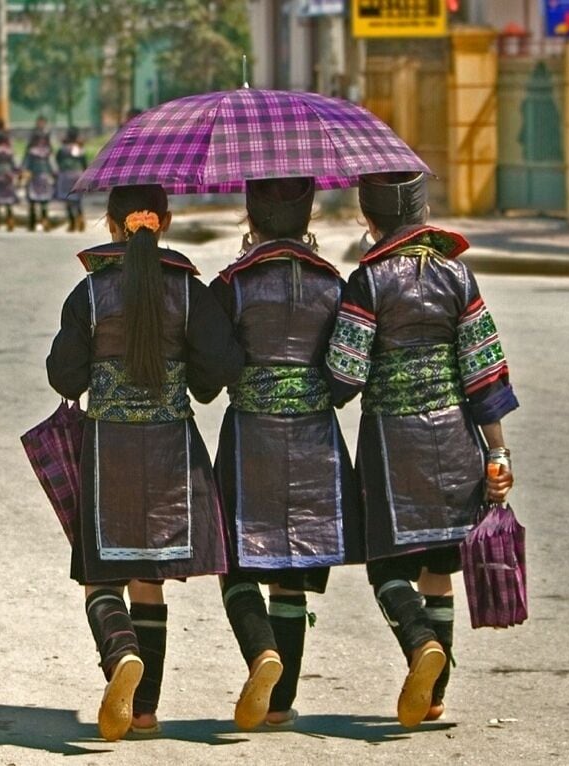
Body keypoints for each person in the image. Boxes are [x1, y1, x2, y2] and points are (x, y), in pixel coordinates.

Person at [46, 183, 244, 741]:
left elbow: (64, 375)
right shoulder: (188, 291)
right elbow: (222, 363)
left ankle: (121, 653)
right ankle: (145, 712)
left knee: (100, 576)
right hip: (171, 451)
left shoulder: (89, 295)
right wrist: (194, 383)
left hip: (107, 451)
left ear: (111, 225)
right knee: (149, 579)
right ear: (166, 222)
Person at [325, 171, 518, 728]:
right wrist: (498, 454)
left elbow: (344, 376)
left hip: (393, 447)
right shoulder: (458, 275)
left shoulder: (367, 282)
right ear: (424, 212)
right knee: (439, 565)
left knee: (386, 564)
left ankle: (419, 644)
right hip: (457, 441)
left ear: (368, 219)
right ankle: (434, 696)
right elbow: (484, 371)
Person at [208, 177, 362, 731]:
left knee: (235, 560)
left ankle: (261, 652)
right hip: (316, 442)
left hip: (251, 439)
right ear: (308, 216)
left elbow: (212, 373)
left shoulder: (232, 285)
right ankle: (278, 705)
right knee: (292, 572)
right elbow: (346, 379)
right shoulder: (334, 285)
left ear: (251, 217)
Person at [22, 131, 56, 231]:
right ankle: (44, 222)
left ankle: (33, 224)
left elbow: (25, 164)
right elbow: (53, 166)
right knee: (43, 200)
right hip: (43, 178)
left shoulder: (31, 152)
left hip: (35, 178)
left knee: (33, 200)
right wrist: (55, 174)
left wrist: (23, 173)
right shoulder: (47, 152)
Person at [55, 127, 88, 232]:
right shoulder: (79, 148)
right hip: (78, 175)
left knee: (68, 199)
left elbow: (58, 160)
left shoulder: (62, 149)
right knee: (77, 199)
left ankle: (72, 222)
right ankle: (81, 220)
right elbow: (84, 163)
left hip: (65, 175)